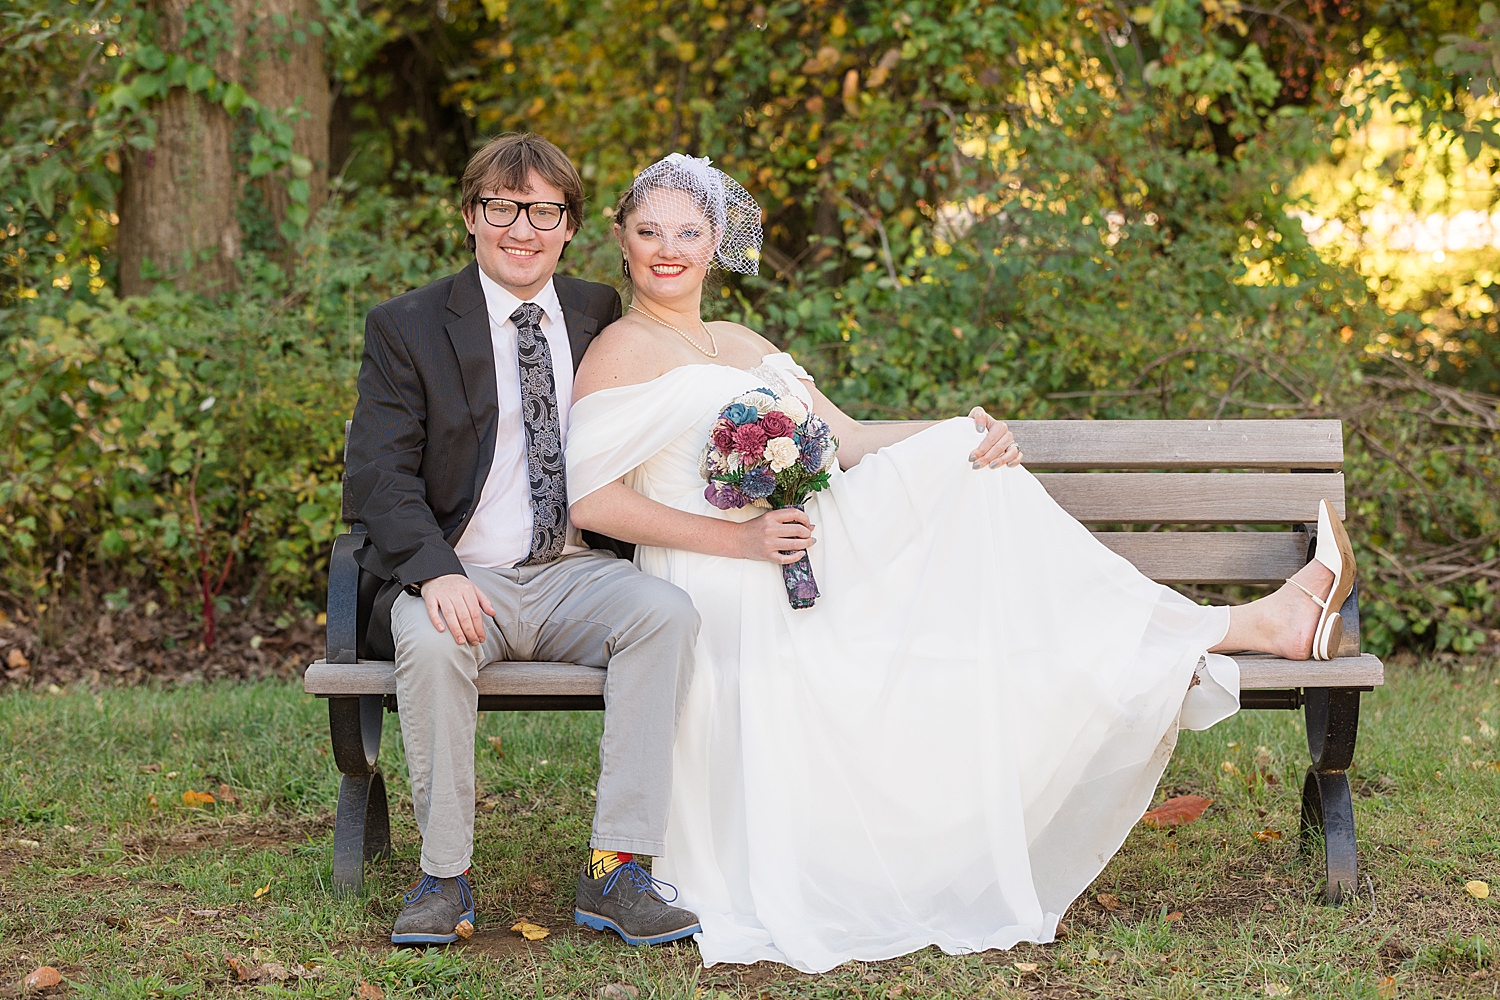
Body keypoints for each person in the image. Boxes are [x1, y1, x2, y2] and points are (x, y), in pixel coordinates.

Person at [562, 154, 1358, 973]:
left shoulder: (737, 340)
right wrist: (740, 541)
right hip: (721, 579)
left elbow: (849, 442)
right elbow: (591, 502)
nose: (669, 248)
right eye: (650, 230)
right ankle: (1242, 627)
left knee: (981, 479)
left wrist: (961, 432)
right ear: (620, 239)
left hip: (802, 557)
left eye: (688, 231)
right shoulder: (621, 350)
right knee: (930, 649)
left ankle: (1210, 631)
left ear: (715, 240)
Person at [345, 134, 704, 948]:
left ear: (571, 224)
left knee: (666, 615)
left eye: (545, 211)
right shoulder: (407, 326)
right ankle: (444, 878)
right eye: (502, 208)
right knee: (434, 646)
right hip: (463, 572)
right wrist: (434, 573)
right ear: (471, 216)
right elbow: (377, 474)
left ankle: (619, 869)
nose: (522, 229)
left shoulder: (597, 312)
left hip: (576, 571)